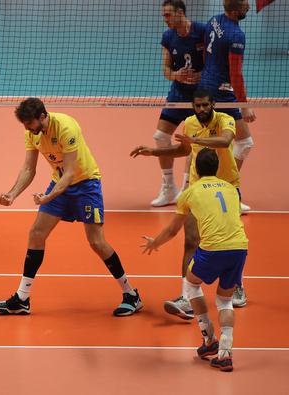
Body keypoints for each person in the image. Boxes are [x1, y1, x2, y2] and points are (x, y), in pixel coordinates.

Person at [0, 98, 142, 316]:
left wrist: (48, 196)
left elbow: (70, 173)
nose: (27, 129)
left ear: (43, 117)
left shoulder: (66, 127)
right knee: (36, 233)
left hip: (86, 184)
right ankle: (22, 299)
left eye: (30, 124)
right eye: (24, 125)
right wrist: (12, 194)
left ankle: (131, 295)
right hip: (59, 182)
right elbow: (28, 169)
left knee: (97, 242)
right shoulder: (31, 132)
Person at [131, 89, 247, 319]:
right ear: (193, 106)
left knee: (230, 238)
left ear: (213, 103)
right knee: (191, 241)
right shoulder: (190, 123)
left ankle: (237, 286)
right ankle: (187, 298)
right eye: (198, 106)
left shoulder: (226, 120)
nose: (202, 109)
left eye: (205, 105)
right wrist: (154, 152)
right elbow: (184, 150)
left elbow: (224, 142)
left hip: (227, 186)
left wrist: (194, 140)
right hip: (198, 186)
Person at [142, 148, 247, 372]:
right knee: (225, 301)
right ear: (217, 168)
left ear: (195, 170)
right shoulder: (231, 188)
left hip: (212, 249)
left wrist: (154, 243)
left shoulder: (190, 192)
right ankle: (225, 354)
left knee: (191, 285)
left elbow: (172, 230)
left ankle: (209, 338)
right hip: (239, 247)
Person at [200, 0, 255, 215]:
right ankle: (227, 191)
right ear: (234, 11)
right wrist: (244, 106)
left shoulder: (214, 20)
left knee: (214, 142)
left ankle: (208, 189)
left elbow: (206, 53)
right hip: (222, 93)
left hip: (206, 84)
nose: (248, 7)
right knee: (245, 142)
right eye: (244, 5)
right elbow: (235, 74)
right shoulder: (236, 36)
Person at [150, 0, 206, 207]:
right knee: (161, 136)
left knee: (193, 141)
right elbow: (166, 70)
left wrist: (202, 75)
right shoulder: (168, 36)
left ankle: (187, 188)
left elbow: (215, 61)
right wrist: (176, 75)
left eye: (167, 15)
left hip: (200, 96)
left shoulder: (202, 31)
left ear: (180, 12)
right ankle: (169, 187)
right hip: (178, 94)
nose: (165, 19)